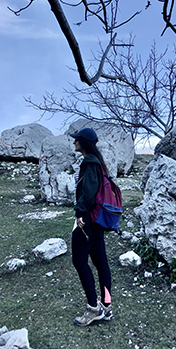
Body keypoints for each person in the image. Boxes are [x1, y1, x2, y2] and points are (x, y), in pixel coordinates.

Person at [70, 128, 113, 326]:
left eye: (76, 140)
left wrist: (79, 213)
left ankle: (93, 308)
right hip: (97, 220)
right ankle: (107, 307)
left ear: (84, 142)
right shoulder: (99, 163)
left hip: (87, 219)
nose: (74, 142)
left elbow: (88, 194)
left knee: (79, 261)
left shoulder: (89, 163)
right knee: (100, 263)